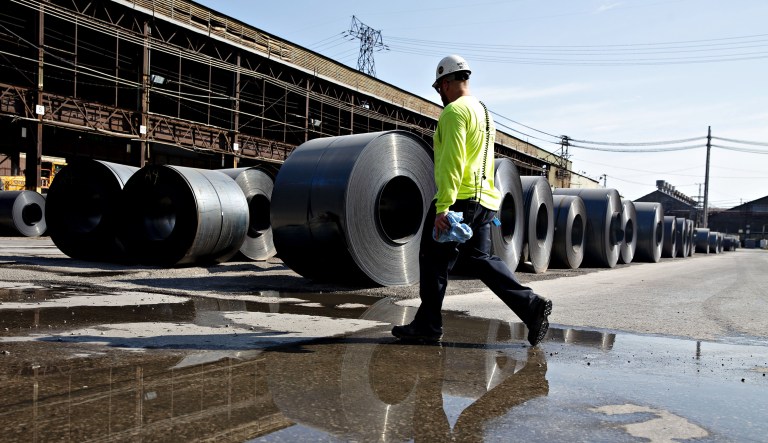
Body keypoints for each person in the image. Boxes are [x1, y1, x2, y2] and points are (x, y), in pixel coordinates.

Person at [392, 55, 552, 347]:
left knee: (432, 260)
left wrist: (444, 208)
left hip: (460, 200)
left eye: (439, 87)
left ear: (447, 82)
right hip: (485, 201)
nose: (439, 93)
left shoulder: (454, 112)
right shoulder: (483, 111)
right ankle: (530, 306)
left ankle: (428, 325)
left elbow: (452, 162)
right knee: (481, 260)